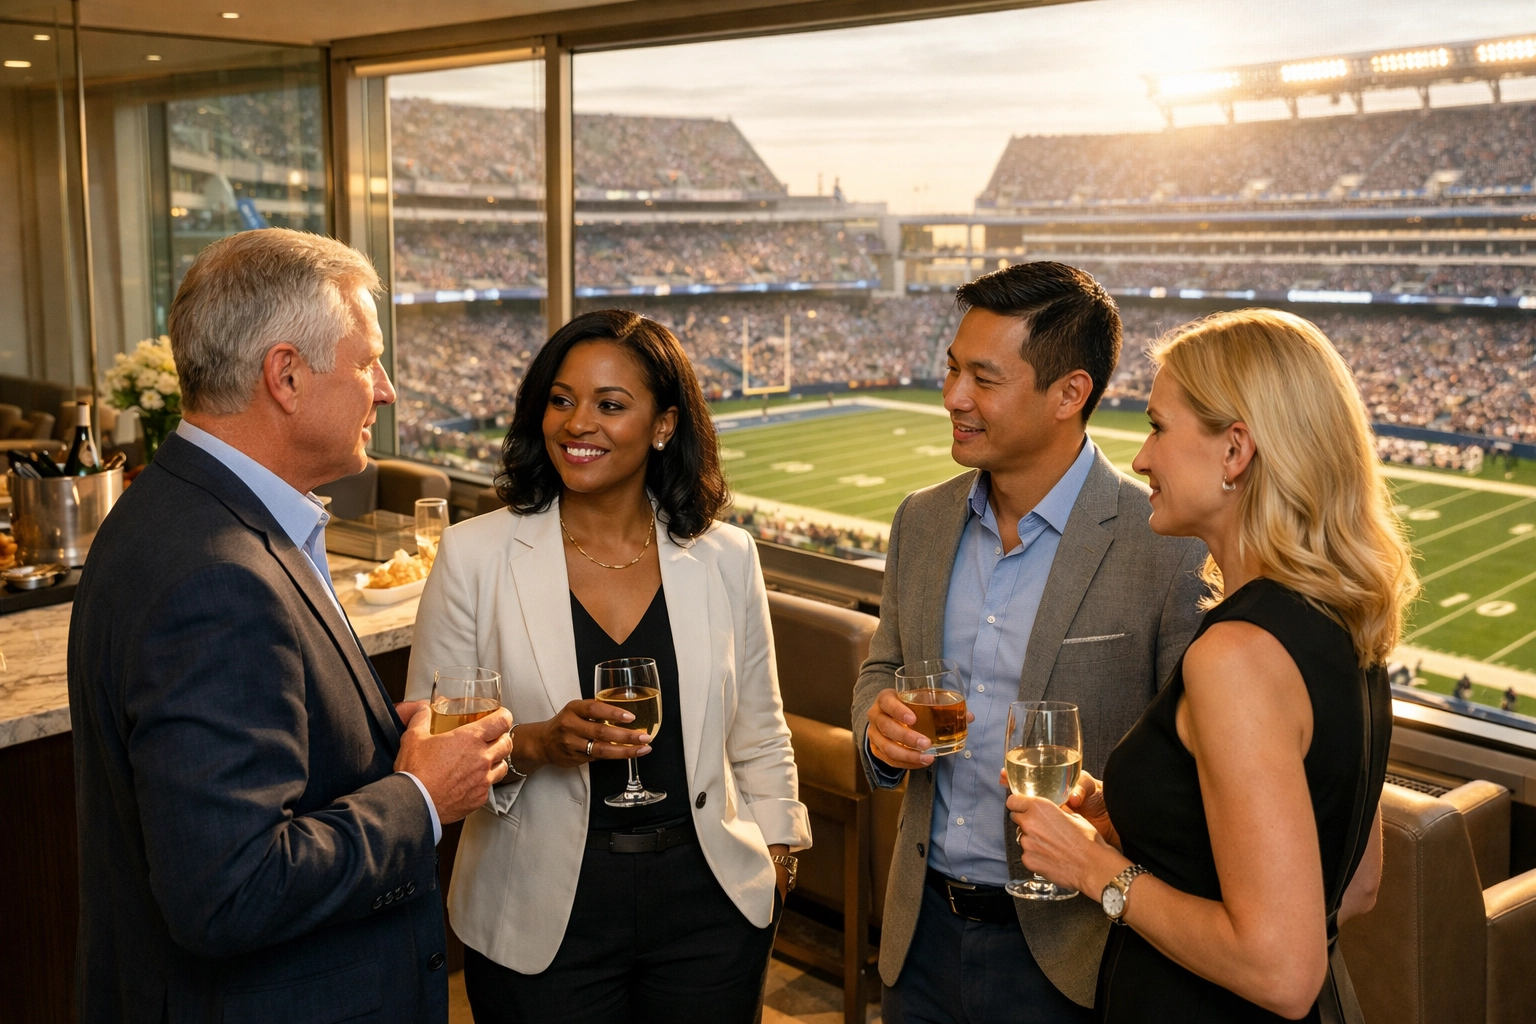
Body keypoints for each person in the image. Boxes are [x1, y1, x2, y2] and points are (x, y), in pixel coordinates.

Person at [67, 228, 514, 1024]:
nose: (387, 389)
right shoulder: (217, 576)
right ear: (286, 375)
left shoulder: (175, 507)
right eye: (368, 361)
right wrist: (418, 794)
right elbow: (229, 890)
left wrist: (374, 744)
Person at [1008, 308, 1417, 1021]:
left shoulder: (1236, 655)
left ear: (1235, 451)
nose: (1140, 459)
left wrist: (1093, 868)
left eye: (1159, 427)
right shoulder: (1343, 622)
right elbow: (1354, 887)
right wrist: (1141, 816)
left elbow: (1281, 971)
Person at [406, 309, 810, 1023]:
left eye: (610, 404)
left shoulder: (726, 556)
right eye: (561, 400)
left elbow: (760, 732)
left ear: (664, 426)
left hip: (708, 904)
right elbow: (433, 753)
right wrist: (538, 743)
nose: (576, 423)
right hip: (539, 912)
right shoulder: (473, 556)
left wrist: (777, 860)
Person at [851, 261, 1208, 1023]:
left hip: (1077, 952)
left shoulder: (1167, 546)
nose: (952, 398)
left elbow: (1199, 764)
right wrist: (877, 729)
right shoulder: (922, 519)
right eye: (952, 370)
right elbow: (884, 663)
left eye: (983, 378)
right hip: (920, 933)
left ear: (1069, 394)